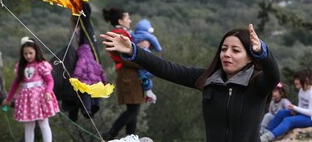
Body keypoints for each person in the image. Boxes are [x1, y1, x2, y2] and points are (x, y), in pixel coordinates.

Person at [101, 23, 280, 142]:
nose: (227, 54)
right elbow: (166, 68)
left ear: (250, 57)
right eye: (224, 49)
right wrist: (134, 50)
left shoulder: (257, 84)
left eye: (236, 50)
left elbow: (273, 75)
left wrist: (263, 53)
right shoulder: (208, 80)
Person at [2, 37, 59, 142]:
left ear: (36, 52)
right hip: (26, 98)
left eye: (30, 53)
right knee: (28, 125)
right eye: (25, 53)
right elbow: (15, 83)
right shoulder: (20, 67)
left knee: (43, 123)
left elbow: (50, 81)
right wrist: (9, 98)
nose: (28, 56)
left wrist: (48, 91)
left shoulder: (41, 65)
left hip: (40, 97)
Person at [101, 7, 144, 141]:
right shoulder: (120, 35)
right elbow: (126, 57)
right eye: (127, 18)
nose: (130, 21)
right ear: (120, 21)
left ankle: (131, 137)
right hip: (128, 73)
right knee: (133, 109)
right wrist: (145, 62)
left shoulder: (122, 33)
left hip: (128, 73)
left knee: (133, 108)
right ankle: (110, 134)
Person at [261, 69, 312, 142]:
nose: (295, 81)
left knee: (288, 120)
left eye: (298, 79)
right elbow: (300, 107)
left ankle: (268, 137)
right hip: (304, 115)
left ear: (306, 80)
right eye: (295, 79)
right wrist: (295, 110)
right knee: (281, 112)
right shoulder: (301, 91)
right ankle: (268, 132)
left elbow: (311, 112)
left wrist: (295, 108)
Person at [132, 18, 162, 104]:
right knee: (157, 70)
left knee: (142, 75)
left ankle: (148, 92)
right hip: (147, 58)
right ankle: (148, 90)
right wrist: (150, 43)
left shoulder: (133, 35)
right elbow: (158, 48)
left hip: (137, 59)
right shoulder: (149, 36)